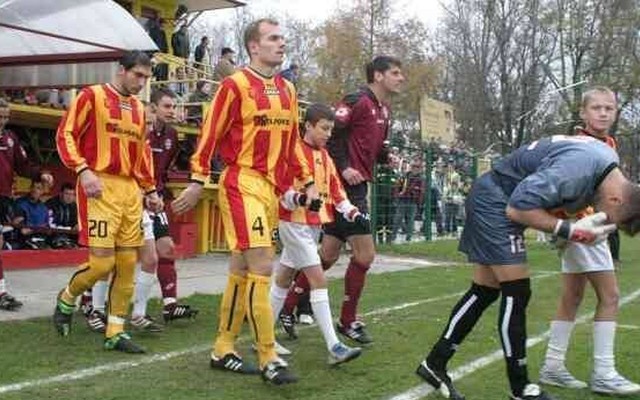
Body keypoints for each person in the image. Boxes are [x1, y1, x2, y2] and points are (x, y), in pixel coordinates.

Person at [415, 134, 640, 400]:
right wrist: (568, 230)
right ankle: (520, 388)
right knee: (517, 290)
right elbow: (518, 209)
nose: (602, 219)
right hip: (497, 201)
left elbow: (557, 191)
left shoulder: (605, 161)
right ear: (617, 200)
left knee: (485, 290)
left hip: (498, 193)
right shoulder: (577, 169)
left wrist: (565, 226)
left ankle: (435, 363)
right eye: (609, 219)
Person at [172, 18, 319, 385]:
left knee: (241, 270)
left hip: (268, 190)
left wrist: (308, 180)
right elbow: (209, 135)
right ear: (254, 46)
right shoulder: (234, 86)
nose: (281, 44)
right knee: (263, 264)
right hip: (241, 183)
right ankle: (269, 355)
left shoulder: (287, 89)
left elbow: (291, 144)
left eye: (282, 38)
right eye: (273, 39)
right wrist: (196, 179)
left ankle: (223, 347)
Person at [287, 56, 403, 345]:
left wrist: (387, 157)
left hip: (357, 186)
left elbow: (375, 148)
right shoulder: (357, 100)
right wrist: (344, 166)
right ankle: (348, 321)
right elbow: (331, 132)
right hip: (344, 189)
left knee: (326, 256)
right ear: (378, 76)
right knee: (364, 256)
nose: (401, 78)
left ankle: (288, 307)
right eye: (395, 73)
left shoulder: (384, 110)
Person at [53, 51, 163, 354]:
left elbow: (141, 155)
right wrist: (83, 170)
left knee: (128, 263)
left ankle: (115, 330)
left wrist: (150, 190)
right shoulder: (92, 96)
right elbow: (66, 134)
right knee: (103, 263)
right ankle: (67, 296)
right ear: (121, 70)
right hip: (99, 185)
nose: (141, 83)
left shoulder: (140, 111)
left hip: (129, 191)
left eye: (146, 78)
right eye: (137, 75)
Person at [538, 87, 640, 395]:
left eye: (609, 108)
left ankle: (553, 366)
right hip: (583, 226)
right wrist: (564, 222)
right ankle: (603, 372)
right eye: (596, 108)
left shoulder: (608, 144)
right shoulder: (581, 144)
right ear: (583, 113)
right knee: (610, 296)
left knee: (572, 296)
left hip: (587, 226)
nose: (603, 113)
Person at [270, 103, 363, 365]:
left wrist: (352, 211)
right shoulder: (293, 151)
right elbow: (283, 190)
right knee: (317, 279)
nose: (328, 134)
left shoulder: (325, 156)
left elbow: (336, 191)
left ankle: (263, 337)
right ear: (308, 125)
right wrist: (299, 200)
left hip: (312, 226)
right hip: (294, 224)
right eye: (324, 128)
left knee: (284, 278)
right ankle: (334, 346)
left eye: (331, 129)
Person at [130, 87, 198, 332]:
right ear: (153, 107)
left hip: (155, 198)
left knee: (166, 248)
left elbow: (168, 168)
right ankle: (89, 301)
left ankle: (170, 304)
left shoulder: (171, 135)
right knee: (116, 257)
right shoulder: (139, 131)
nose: (172, 111)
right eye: (167, 106)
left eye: (173, 107)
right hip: (132, 198)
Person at [0, 98, 53, 309]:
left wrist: (41, 174)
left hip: (2, 198)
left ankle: (1, 292)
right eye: (0, 116)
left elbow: (23, 166)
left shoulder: (10, 138)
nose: (2, 120)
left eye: (5, 117)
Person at [16, 178, 51, 249]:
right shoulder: (20, 203)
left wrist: (45, 229)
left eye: (38, 188)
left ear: (42, 191)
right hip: (25, 240)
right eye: (33, 187)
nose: (35, 190)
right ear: (30, 188)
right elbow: (23, 231)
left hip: (41, 240)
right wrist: (38, 228)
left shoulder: (44, 208)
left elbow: (48, 230)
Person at [46, 182, 79, 249]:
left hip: (69, 237)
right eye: (67, 194)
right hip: (53, 237)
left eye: (72, 194)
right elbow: (51, 225)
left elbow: (76, 222)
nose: (70, 197)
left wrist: (77, 225)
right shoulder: (51, 204)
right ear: (60, 194)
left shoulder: (74, 206)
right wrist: (70, 229)